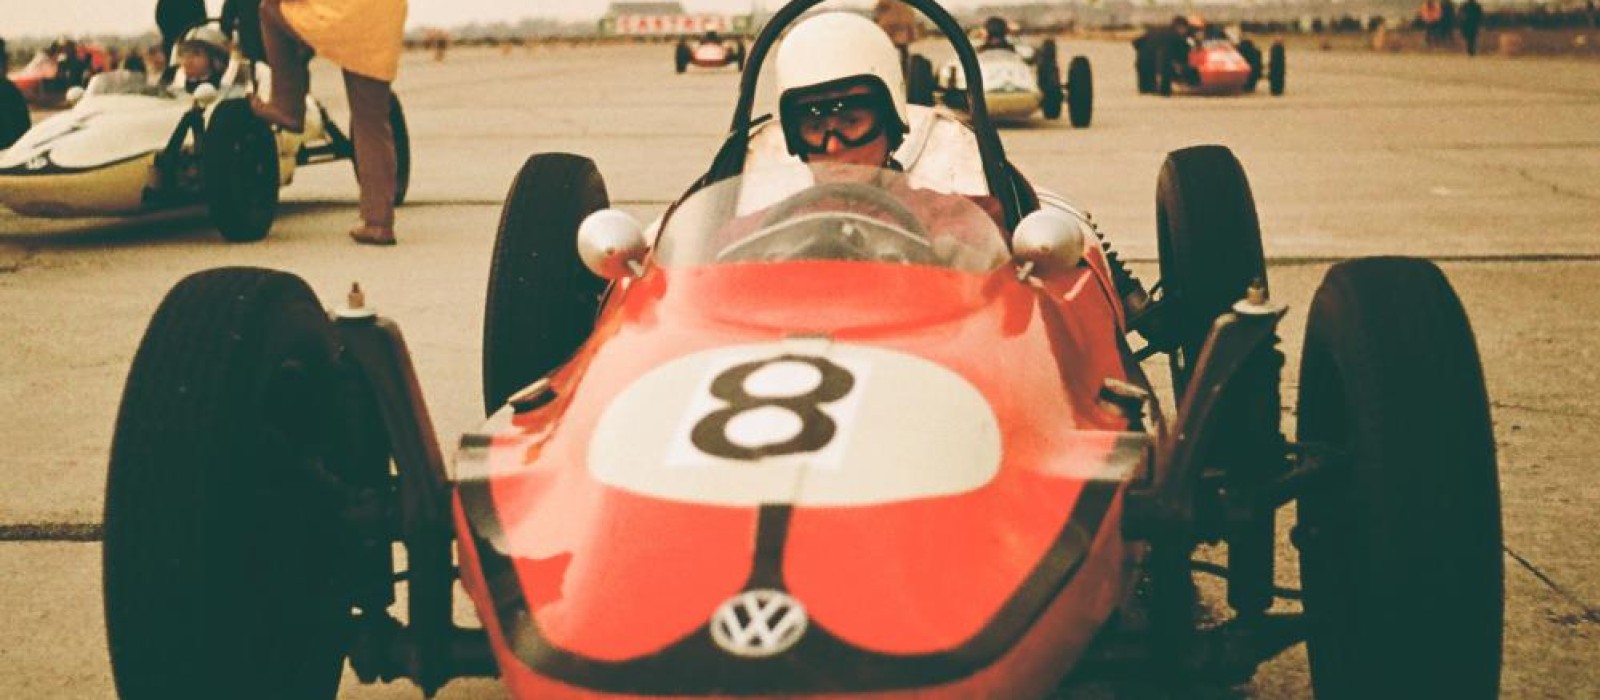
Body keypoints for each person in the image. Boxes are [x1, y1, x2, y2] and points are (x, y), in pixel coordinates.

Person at [250, 0, 408, 245]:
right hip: (382, 20)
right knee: (372, 124)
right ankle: (379, 223)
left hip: (344, 17)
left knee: (270, 10)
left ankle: (288, 105)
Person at [173, 26, 229, 92]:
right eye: (184, 54)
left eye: (196, 54)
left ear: (215, 58)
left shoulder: (228, 90)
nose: (188, 60)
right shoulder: (173, 88)